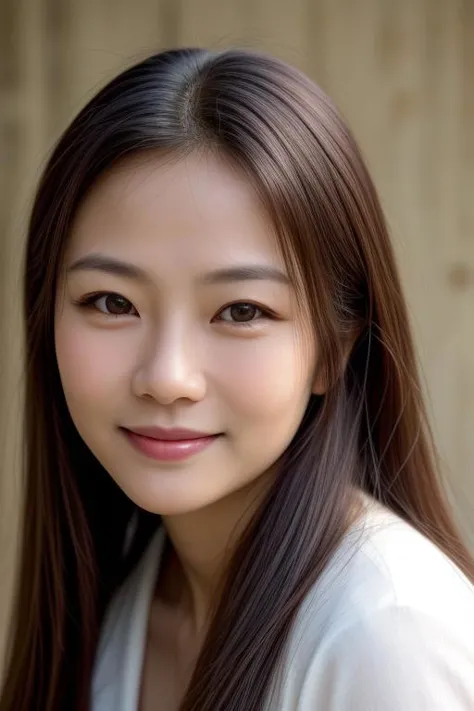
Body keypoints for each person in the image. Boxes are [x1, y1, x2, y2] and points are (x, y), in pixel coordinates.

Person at [1, 47, 473, 711]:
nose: (167, 378)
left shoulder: (387, 639)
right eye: (111, 302)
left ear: (335, 348)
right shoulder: (125, 598)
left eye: (242, 311)